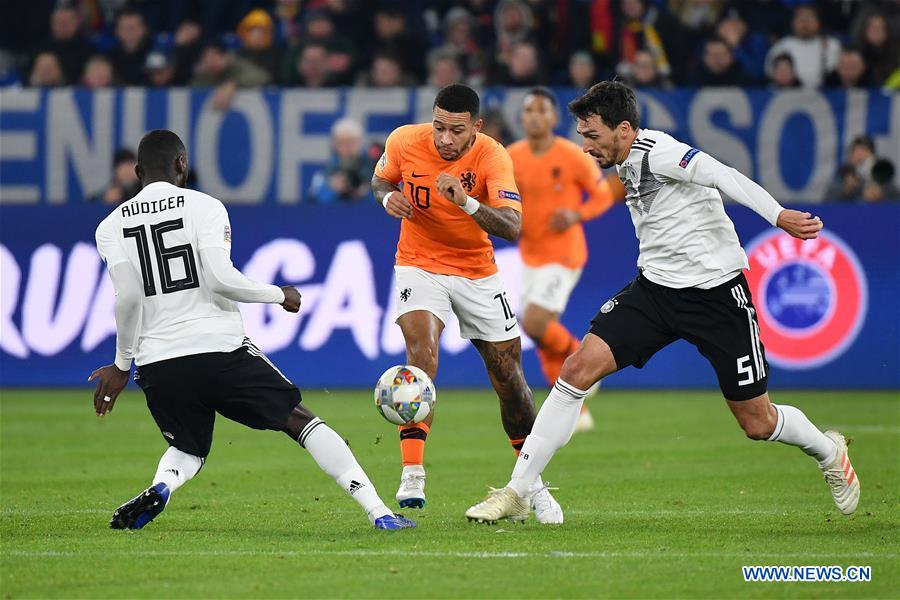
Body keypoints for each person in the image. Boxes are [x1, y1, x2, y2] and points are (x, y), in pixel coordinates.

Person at [465, 81, 859, 523]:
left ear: (624, 129)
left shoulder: (662, 152)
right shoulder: (620, 159)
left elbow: (723, 174)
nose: (585, 146)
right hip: (655, 291)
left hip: (716, 296)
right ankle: (518, 491)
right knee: (576, 370)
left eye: (592, 135)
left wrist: (778, 215)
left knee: (758, 422)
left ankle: (829, 451)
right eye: (582, 135)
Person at [90, 129, 415, 531]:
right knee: (300, 421)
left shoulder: (110, 226)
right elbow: (220, 279)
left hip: (158, 363)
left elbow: (126, 299)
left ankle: (162, 486)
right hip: (218, 349)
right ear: (182, 165)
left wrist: (122, 365)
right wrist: (279, 294)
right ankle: (379, 511)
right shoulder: (205, 207)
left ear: (138, 172)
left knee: (188, 447)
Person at [372, 84, 562, 523]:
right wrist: (386, 197)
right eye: (438, 127)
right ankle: (412, 472)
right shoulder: (404, 140)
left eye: (455, 131)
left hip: (477, 272)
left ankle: (531, 485)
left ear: (476, 127)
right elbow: (380, 178)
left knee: (510, 379)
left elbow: (512, 227)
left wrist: (466, 201)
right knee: (421, 358)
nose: (444, 139)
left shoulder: (492, 156)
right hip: (418, 263)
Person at [507, 87, 619, 433]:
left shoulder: (572, 155)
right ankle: (576, 409)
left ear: (554, 118)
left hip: (563, 254)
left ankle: (585, 362)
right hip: (530, 255)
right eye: (529, 110)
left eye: (541, 110)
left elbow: (602, 194)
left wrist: (576, 214)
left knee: (535, 323)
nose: (534, 116)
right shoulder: (511, 156)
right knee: (542, 337)